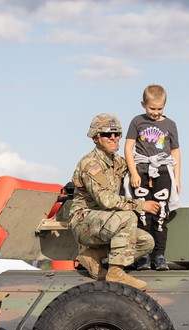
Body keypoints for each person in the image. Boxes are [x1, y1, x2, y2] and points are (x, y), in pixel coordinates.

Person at [69, 113, 160, 291]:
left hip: (106, 222)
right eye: (106, 134)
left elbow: (138, 168)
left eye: (116, 134)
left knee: (146, 241)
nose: (113, 137)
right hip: (84, 221)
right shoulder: (91, 164)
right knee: (127, 217)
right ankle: (116, 272)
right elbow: (106, 200)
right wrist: (141, 205)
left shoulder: (118, 161)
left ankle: (93, 255)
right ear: (96, 138)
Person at [123, 84, 181, 272]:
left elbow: (175, 152)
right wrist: (133, 172)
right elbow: (128, 148)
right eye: (152, 108)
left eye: (159, 109)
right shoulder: (137, 121)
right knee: (142, 214)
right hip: (141, 170)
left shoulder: (170, 124)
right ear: (143, 104)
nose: (155, 113)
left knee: (161, 214)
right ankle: (143, 255)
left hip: (163, 172)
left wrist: (177, 178)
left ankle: (159, 255)